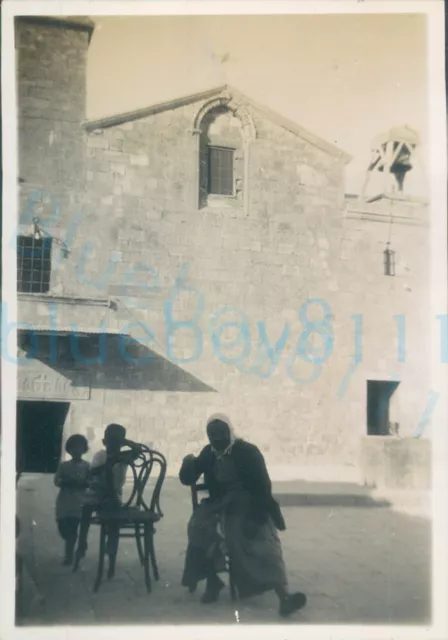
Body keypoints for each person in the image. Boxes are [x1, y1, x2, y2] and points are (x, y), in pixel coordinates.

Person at [179, 416, 307, 618]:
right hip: (220, 505)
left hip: (249, 505)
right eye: (212, 435)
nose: (217, 438)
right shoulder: (209, 453)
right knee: (199, 527)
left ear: (230, 432)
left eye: (222, 433)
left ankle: (284, 596)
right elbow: (188, 479)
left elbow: (263, 488)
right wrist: (188, 462)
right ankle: (213, 581)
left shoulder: (247, 452)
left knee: (260, 540)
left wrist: (256, 519)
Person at [74, 424, 142, 575]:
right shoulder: (101, 455)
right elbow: (92, 473)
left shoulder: (125, 456)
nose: (112, 445)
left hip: (113, 497)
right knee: (86, 508)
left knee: (113, 520)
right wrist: (108, 464)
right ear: (105, 441)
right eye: (110, 441)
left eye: (117, 442)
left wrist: (125, 443)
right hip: (98, 493)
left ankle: (111, 555)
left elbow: (139, 450)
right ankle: (82, 542)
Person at [54, 434, 90, 565]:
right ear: (69, 450)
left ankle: (68, 556)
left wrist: (83, 483)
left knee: (72, 530)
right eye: (74, 448)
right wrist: (66, 481)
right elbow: (56, 480)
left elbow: (90, 481)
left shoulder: (87, 466)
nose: (77, 451)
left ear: (84, 449)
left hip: (78, 502)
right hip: (64, 502)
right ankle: (73, 545)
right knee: (63, 528)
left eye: (80, 448)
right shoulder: (63, 466)